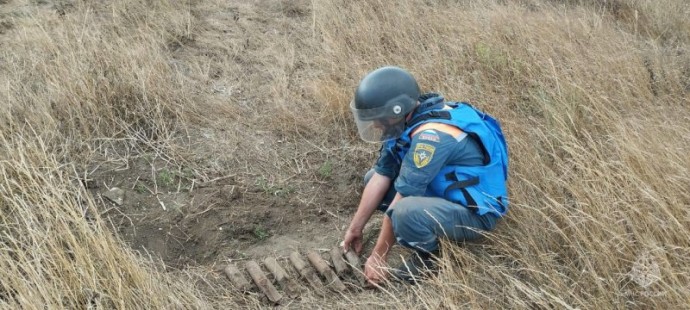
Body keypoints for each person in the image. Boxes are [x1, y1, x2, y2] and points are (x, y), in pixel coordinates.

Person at [342, 66, 509, 285]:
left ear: (396, 110)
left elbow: (402, 197)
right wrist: (355, 229)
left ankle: (433, 256)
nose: (374, 123)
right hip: (447, 195)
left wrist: (379, 256)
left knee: (403, 212)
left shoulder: (432, 136)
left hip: (475, 215)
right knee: (371, 178)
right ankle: (421, 226)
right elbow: (382, 175)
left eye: (377, 116)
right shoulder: (407, 121)